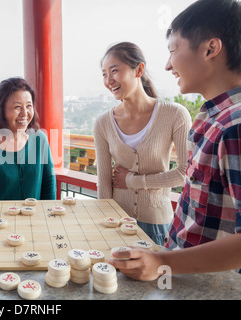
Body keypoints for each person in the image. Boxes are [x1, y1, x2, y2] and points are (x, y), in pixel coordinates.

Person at [110, 0, 241, 280]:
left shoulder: (235, 126)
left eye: (173, 50)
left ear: (211, 49)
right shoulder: (210, 118)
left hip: (207, 285)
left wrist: (162, 263)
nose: (168, 65)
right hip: (179, 272)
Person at [94, 42, 192, 245]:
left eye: (114, 71)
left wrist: (133, 181)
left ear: (138, 70)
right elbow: (104, 182)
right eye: (104, 74)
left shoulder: (175, 114)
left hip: (157, 226)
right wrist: (103, 223)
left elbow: (185, 173)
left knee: (156, 277)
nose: (108, 80)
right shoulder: (102, 123)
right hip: (116, 223)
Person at [0, 77, 56, 241]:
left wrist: (49, 223)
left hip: (34, 229)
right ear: (1, 109)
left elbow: (48, 186)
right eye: (17, 107)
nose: (24, 113)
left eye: (29, 106)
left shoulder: (39, 140)